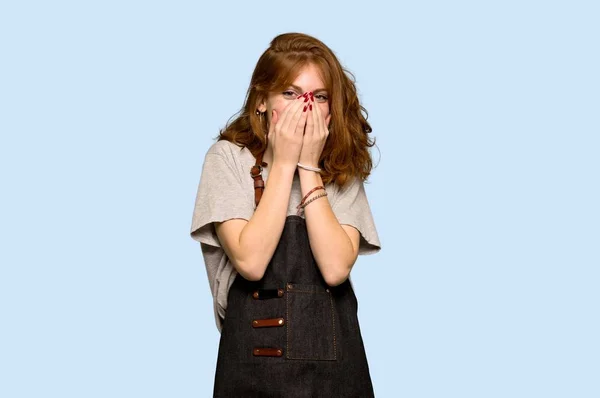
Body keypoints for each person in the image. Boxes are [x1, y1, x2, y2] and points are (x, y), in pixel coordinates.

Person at [190, 32, 381, 397]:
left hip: (336, 376)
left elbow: (336, 268)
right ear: (262, 101)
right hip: (250, 372)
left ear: (331, 107)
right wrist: (283, 162)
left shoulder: (340, 170)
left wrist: (308, 166)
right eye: (290, 95)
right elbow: (251, 260)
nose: (305, 107)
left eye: (319, 97)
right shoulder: (227, 159)